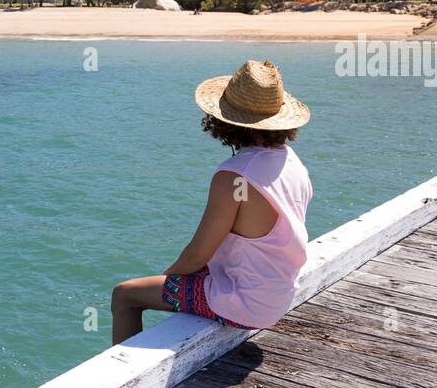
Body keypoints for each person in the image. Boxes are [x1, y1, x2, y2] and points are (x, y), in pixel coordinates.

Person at [111, 60, 312, 345]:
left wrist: (168, 280)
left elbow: (196, 256)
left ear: (224, 120)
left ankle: (121, 377)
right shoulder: (292, 161)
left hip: (245, 306)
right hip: (279, 295)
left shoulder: (233, 175)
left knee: (125, 294)